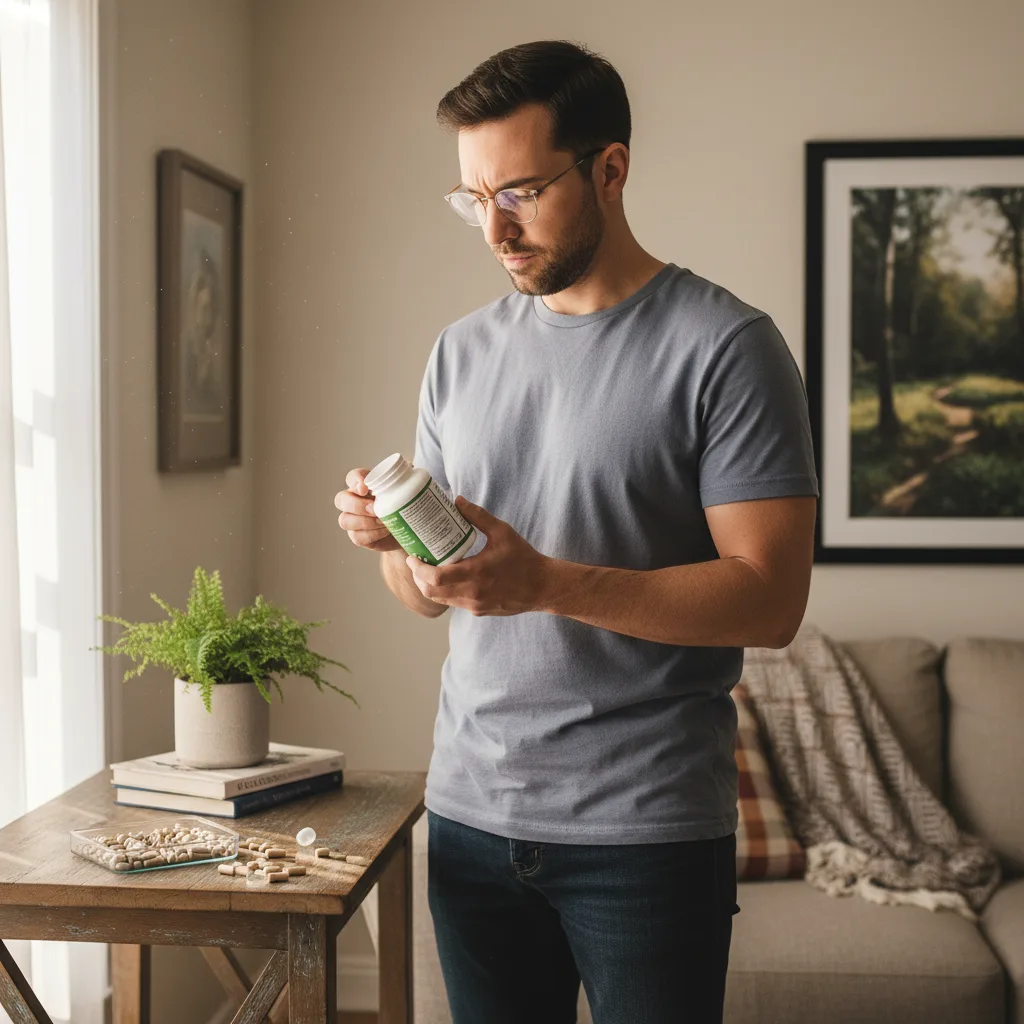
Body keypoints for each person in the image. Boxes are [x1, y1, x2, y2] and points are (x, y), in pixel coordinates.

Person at [334, 39, 819, 1024]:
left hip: (646, 834)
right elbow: (434, 597)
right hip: (468, 817)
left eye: (519, 191)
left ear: (610, 169)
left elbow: (770, 599)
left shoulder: (726, 348)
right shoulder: (458, 353)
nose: (495, 229)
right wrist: (398, 547)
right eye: (474, 199)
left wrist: (547, 582)